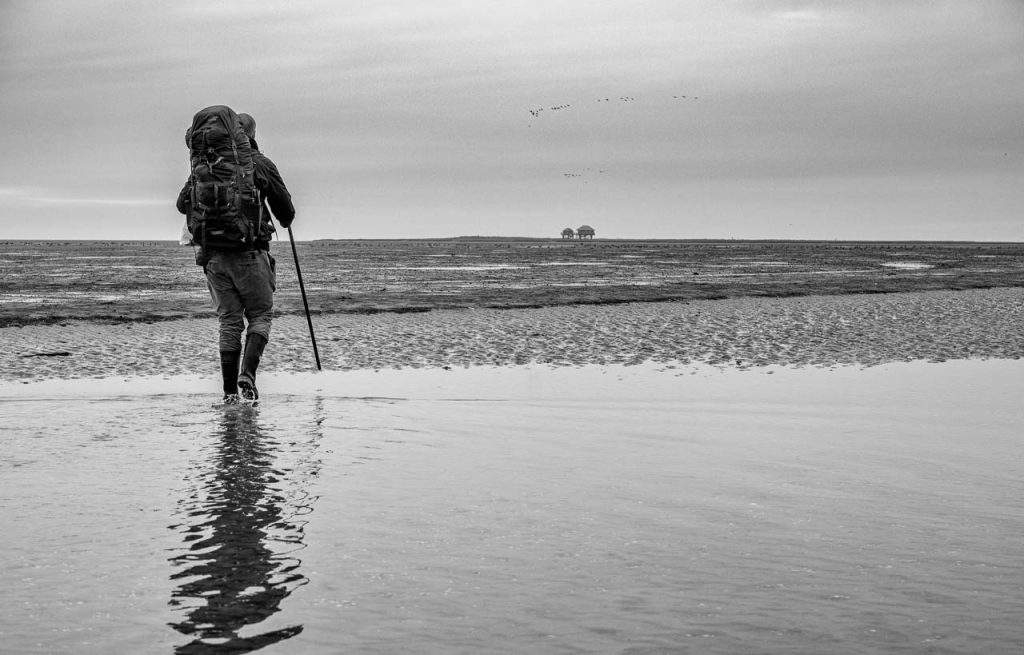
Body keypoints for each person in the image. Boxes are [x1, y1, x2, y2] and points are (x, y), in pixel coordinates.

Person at [177, 111, 295, 404]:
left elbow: (181, 204)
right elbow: (286, 212)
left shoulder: (205, 166)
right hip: (250, 254)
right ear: (250, 136)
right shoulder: (260, 164)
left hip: (213, 258)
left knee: (229, 321)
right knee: (260, 315)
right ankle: (248, 375)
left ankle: (229, 392)